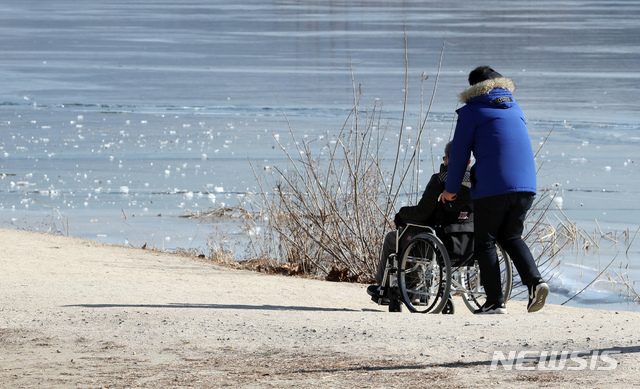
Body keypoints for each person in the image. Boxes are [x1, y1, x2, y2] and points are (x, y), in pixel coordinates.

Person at [442, 66, 549, 314]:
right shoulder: (515, 107)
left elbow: (458, 155)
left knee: (485, 243)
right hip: (526, 186)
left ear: (472, 88)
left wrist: (451, 189)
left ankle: (494, 302)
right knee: (511, 237)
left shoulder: (472, 111)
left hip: (493, 187)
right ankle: (536, 282)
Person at [368, 141, 472, 312]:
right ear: (468, 162)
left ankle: (384, 288)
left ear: (447, 159)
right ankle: (418, 290)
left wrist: (401, 214)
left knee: (393, 238)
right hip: (467, 242)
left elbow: (422, 212)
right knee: (419, 239)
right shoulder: (478, 182)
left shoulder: (441, 180)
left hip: (438, 238)